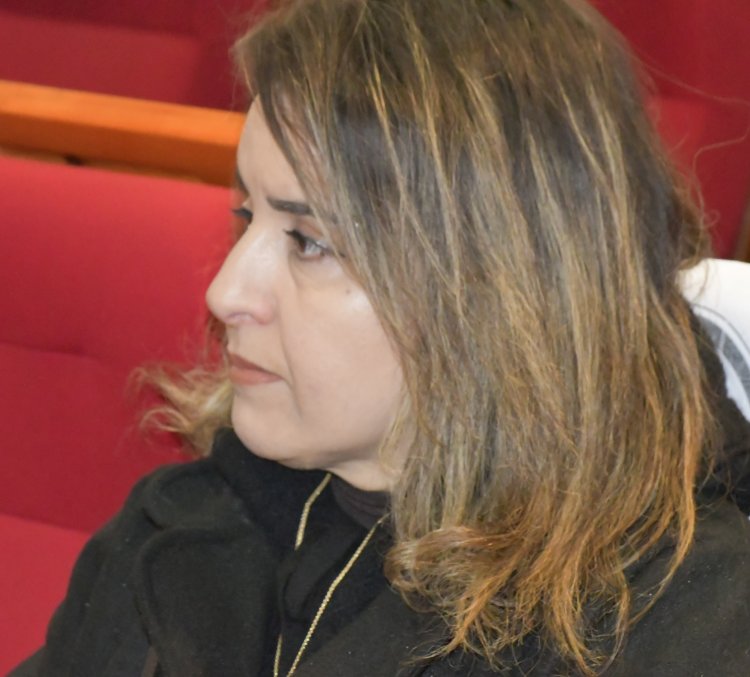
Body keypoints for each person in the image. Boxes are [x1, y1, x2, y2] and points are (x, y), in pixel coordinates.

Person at [11, 0, 750, 675]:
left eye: (309, 242)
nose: (225, 293)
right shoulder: (184, 526)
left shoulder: (689, 629)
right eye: (246, 217)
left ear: (492, 288)